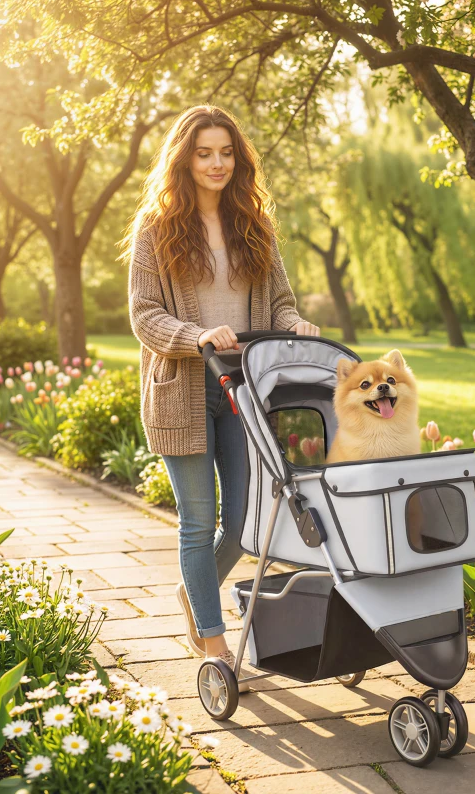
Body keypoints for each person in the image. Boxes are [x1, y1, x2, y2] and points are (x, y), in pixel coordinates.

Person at [125, 105, 320, 669]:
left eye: (226, 153)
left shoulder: (254, 225)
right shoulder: (156, 229)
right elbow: (144, 314)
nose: (217, 163)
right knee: (197, 522)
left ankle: (195, 591)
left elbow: (280, 304)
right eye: (204, 153)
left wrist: (295, 325)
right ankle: (214, 645)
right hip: (182, 390)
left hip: (244, 390)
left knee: (242, 524)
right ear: (184, 159)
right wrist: (197, 336)